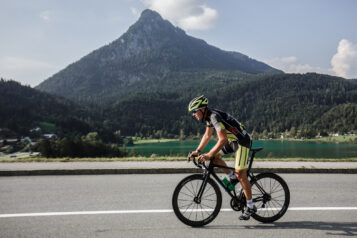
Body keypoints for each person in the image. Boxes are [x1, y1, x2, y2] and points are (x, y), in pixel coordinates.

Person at [188, 95, 257, 220]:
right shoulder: (209, 118)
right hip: (233, 141)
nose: (193, 114)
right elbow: (207, 136)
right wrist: (198, 151)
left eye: (194, 111)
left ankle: (250, 206)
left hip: (242, 141)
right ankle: (232, 177)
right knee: (214, 158)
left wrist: (208, 154)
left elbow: (222, 139)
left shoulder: (214, 117)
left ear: (202, 109)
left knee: (241, 174)